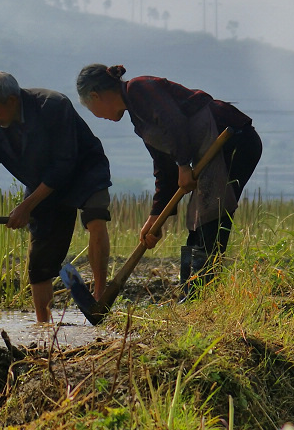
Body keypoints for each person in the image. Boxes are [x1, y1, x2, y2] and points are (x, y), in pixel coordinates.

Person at [75, 64, 262, 295]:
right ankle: (192, 295)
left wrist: (184, 164)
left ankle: (198, 296)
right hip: (214, 153)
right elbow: (164, 169)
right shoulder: (139, 119)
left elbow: (174, 120)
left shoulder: (140, 88)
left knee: (210, 217)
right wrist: (155, 218)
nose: (98, 117)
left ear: (96, 96)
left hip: (231, 141)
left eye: (92, 109)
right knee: (197, 222)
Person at [0, 70, 112, 323]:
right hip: (41, 183)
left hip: (83, 168)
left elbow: (64, 164)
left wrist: (26, 206)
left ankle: (100, 296)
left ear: (12, 100)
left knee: (95, 219)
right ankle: (43, 325)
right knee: (40, 260)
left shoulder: (53, 106)